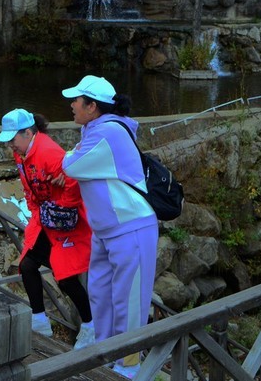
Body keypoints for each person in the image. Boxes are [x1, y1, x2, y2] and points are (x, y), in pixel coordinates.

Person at [61, 75, 158, 379]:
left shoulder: (107, 133)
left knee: (129, 301)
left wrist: (69, 155)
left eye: (77, 100)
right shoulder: (95, 129)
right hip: (107, 231)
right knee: (101, 294)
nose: (72, 105)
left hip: (131, 227)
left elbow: (71, 165)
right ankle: (104, 357)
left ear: (92, 106)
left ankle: (129, 367)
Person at [0, 108, 96, 349]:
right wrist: (35, 211)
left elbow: (73, 182)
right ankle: (40, 320)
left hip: (66, 222)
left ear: (28, 133)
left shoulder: (50, 152)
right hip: (45, 219)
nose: (11, 145)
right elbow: (28, 186)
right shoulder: (21, 155)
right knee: (28, 264)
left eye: (13, 140)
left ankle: (90, 327)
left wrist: (61, 209)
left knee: (67, 277)